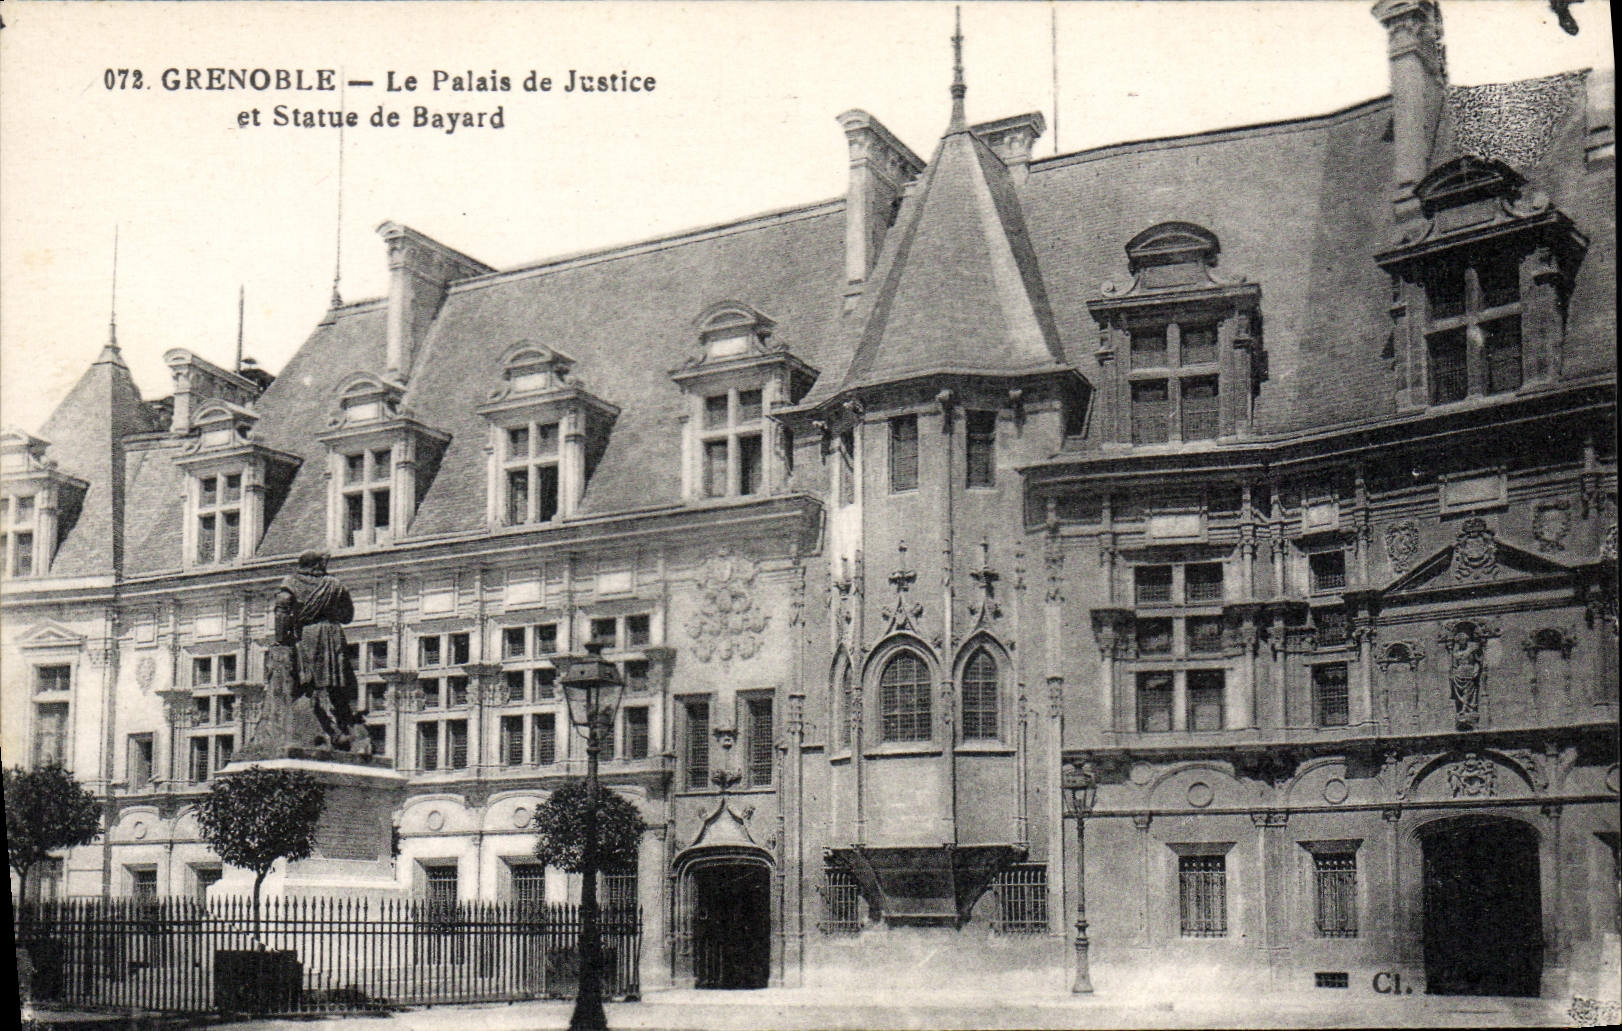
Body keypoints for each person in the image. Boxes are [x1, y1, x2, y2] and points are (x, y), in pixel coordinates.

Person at [274, 550, 363, 751]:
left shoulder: (291, 582)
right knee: (337, 684)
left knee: (309, 683)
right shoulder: (335, 584)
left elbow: (282, 610)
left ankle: (329, 729)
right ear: (317, 565)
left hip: (309, 635)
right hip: (334, 634)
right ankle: (343, 727)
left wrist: (281, 640)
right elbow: (347, 616)